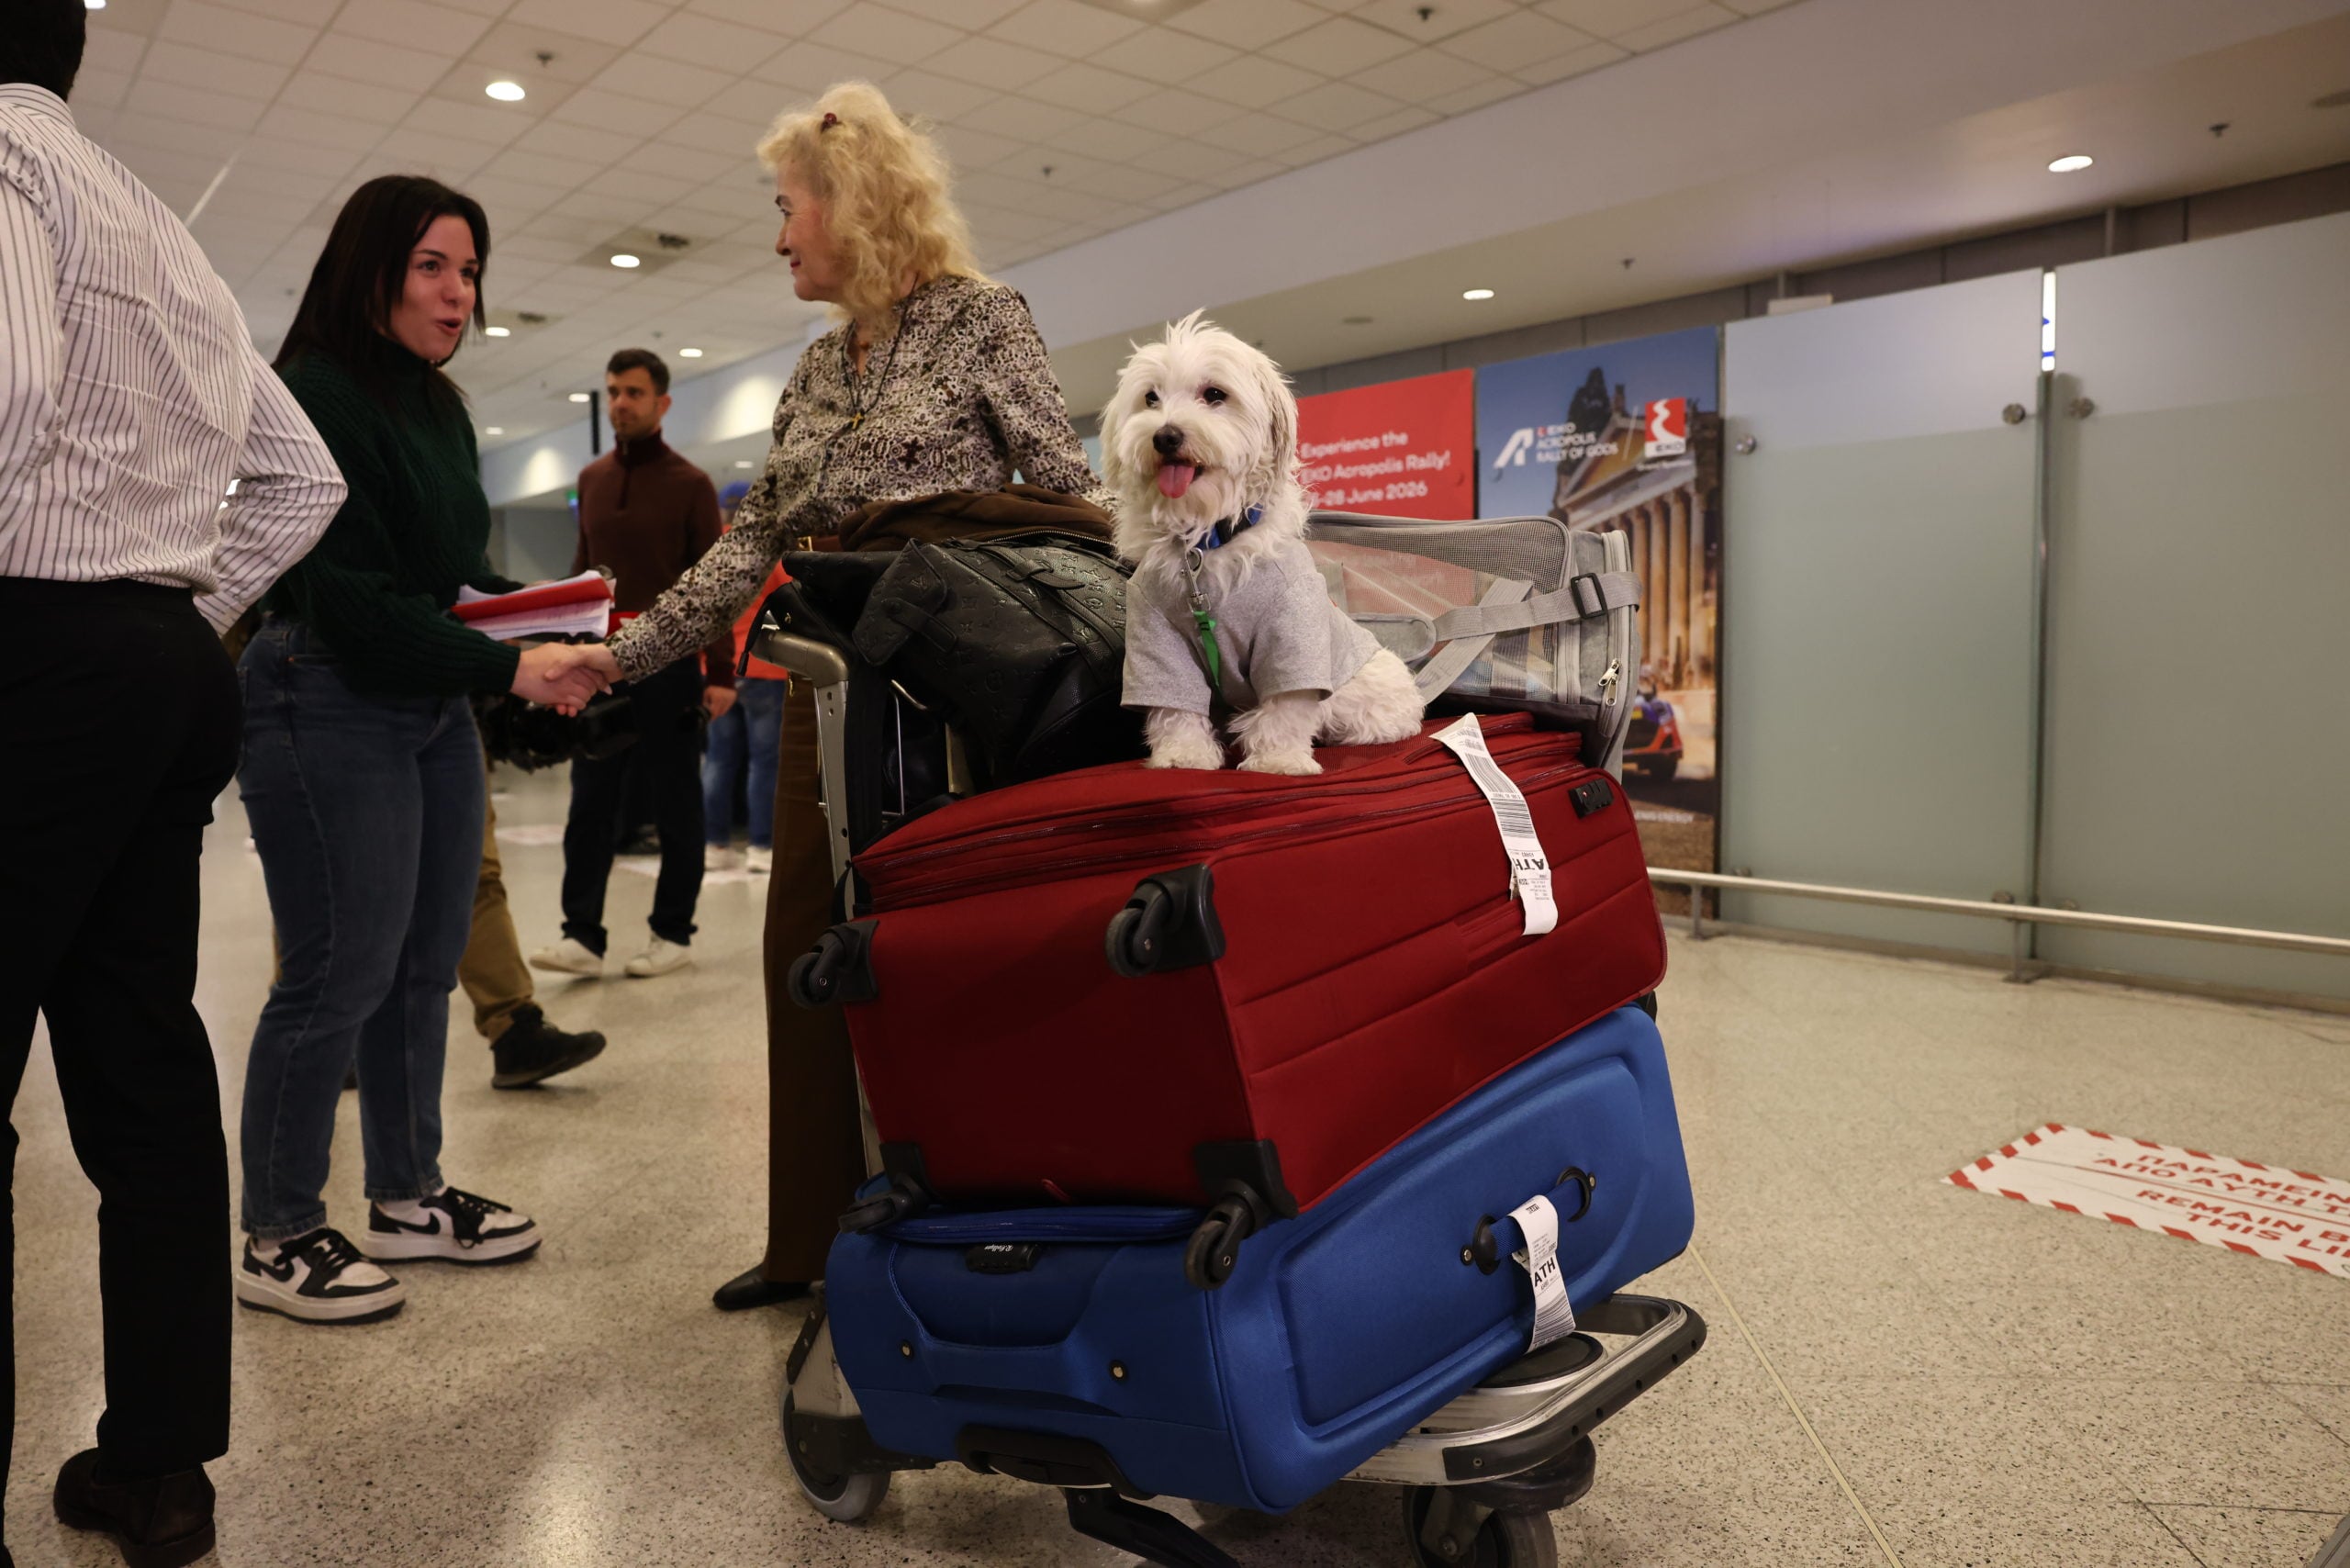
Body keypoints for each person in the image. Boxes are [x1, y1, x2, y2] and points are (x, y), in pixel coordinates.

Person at [547, 82, 1109, 1311]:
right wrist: (623, 654)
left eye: (788, 207)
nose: (780, 234)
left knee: (946, 965)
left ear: (852, 207)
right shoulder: (811, 371)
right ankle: (813, 1240)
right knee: (807, 953)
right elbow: (745, 554)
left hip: (959, 697)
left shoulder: (981, 320)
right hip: (824, 695)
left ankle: (982, 1233)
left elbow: (1069, 501)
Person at [0, 4, 347, 1560]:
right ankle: (158, 1466)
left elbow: (1, 394)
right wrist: (168, 617)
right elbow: (300, 478)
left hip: (27, 649)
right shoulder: (150, 217)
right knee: (141, 1067)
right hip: (157, 668)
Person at [233, 174, 606, 1328]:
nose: (460, 293)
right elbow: (348, 601)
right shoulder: (314, 393)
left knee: (422, 962)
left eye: (473, 270)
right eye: (435, 266)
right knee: (336, 969)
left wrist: (557, 620)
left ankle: (405, 1194)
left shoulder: (439, 410)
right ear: (374, 267)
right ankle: (279, 1228)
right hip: (321, 690)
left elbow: (442, 585)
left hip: (426, 701)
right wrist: (508, 666)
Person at [532, 349, 733, 980]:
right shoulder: (590, 479)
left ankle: (672, 931)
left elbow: (715, 588)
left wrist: (721, 673)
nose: (621, 403)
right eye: (614, 391)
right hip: (598, 663)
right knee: (590, 801)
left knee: (676, 804)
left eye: (634, 393)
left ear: (662, 403)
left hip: (670, 665)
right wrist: (562, 651)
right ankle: (581, 937)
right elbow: (581, 575)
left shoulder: (691, 484)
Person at [464, 777, 610, 1088]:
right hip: (363, 737)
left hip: (456, 732)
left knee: (474, 873)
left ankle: (512, 1029)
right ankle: (345, 1033)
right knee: (368, 876)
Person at [702, 489, 789, 876]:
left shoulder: (708, 552)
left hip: (718, 670)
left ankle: (715, 844)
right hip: (763, 667)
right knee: (764, 762)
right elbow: (788, 597)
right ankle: (760, 846)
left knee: (719, 760)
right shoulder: (764, 549)